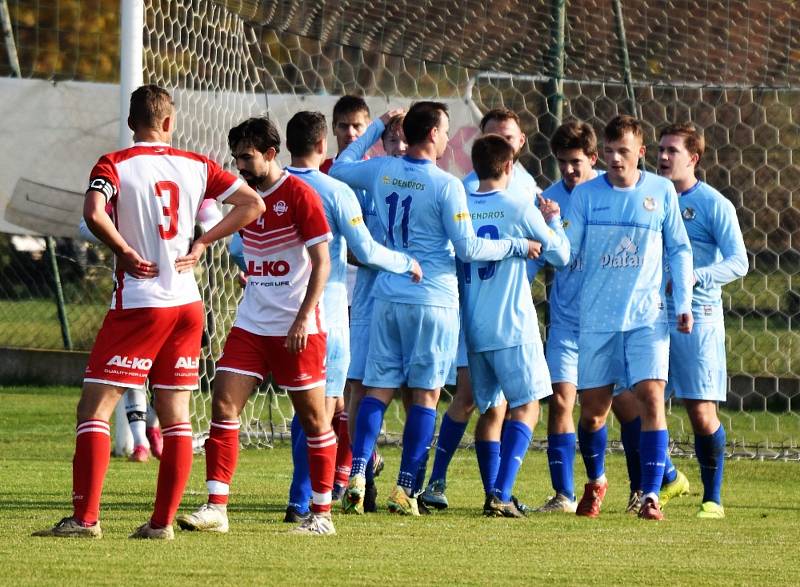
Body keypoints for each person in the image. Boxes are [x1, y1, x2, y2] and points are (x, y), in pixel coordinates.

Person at [33, 85, 265, 540]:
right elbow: (252, 204)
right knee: (177, 415)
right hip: (187, 303)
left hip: (139, 303)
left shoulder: (113, 164)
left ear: (130, 123)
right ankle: (160, 524)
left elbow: (93, 211)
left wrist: (121, 249)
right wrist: (203, 241)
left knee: (94, 410)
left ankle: (85, 520)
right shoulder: (197, 165)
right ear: (168, 123)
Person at [330, 101, 539, 516]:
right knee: (425, 395)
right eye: (444, 131)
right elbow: (468, 247)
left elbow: (339, 169)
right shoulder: (447, 185)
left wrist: (377, 127)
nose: (448, 138)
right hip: (432, 298)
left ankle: (356, 471)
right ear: (432, 135)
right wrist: (518, 245)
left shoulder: (382, 170)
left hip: (388, 293)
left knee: (378, 388)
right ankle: (405, 488)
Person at [176, 116, 338, 536]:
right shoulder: (244, 200)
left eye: (247, 158)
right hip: (251, 324)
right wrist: (219, 252)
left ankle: (322, 515)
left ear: (270, 154)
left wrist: (304, 315)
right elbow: (243, 251)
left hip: (296, 329)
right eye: (236, 159)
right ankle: (216, 507)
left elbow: (322, 262)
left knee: (314, 420)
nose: (240, 167)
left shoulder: (300, 195)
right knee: (223, 405)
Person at [281, 110, 422, 523]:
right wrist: (404, 263)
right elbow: (366, 249)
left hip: (279, 309)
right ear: (323, 144)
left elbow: (241, 248)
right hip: (329, 309)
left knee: (302, 407)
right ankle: (311, 500)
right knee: (324, 410)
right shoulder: (336, 190)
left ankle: (299, 497)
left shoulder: (272, 187)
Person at [565, 115, 694, 521]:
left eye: (624, 151)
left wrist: (684, 302)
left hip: (647, 317)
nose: (615, 159)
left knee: (652, 399)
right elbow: (566, 251)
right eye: (609, 152)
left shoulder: (660, 192)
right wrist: (547, 227)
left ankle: (651, 495)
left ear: (640, 153)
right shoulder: (585, 195)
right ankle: (597, 480)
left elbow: (680, 249)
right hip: (597, 319)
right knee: (592, 414)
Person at [420, 107, 543, 510]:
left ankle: (474, 488)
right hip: (499, 319)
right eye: (496, 135)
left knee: (486, 404)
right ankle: (487, 491)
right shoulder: (508, 197)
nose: (503, 142)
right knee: (494, 402)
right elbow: (553, 250)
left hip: (478, 316)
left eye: (508, 136)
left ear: (519, 142)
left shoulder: (471, 192)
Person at [461, 134, 569, 517]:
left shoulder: (460, 205)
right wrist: (554, 219)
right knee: (526, 407)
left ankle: (494, 492)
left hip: (473, 327)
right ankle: (501, 495)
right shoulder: (519, 206)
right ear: (509, 166)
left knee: (490, 412)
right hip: (511, 324)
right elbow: (561, 253)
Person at [658, 122, 747, 519]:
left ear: (693, 158)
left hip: (699, 317)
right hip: (651, 316)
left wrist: (695, 276)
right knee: (638, 402)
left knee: (700, 412)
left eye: (671, 151)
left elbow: (739, 262)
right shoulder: (649, 197)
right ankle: (669, 478)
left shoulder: (714, 204)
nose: (662, 156)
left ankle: (712, 499)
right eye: (659, 149)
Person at [528, 120, 600, 514]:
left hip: (609, 320)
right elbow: (542, 255)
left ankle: (653, 481)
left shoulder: (610, 191)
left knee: (610, 407)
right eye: (561, 163)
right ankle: (564, 495)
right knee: (560, 400)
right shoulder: (548, 200)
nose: (569, 171)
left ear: (593, 158)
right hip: (567, 319)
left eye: (576, 162)